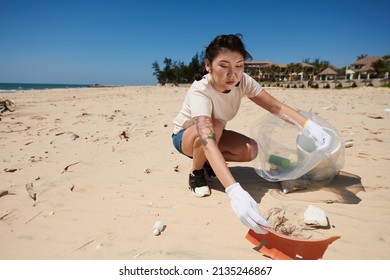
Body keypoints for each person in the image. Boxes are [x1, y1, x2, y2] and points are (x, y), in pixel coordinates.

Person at [171, 34, 332, 234]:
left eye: (239, 65)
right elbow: (206, 138)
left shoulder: (243, 82)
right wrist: (234, 191)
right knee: (216, 126)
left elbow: (275, 106)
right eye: (224, 65)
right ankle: (196, 173)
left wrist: (308, 125)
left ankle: (208, 163)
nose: (233, 73)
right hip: (185, 138)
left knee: (251, 150)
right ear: (208, 66)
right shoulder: (200, 90)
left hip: (214, 134)